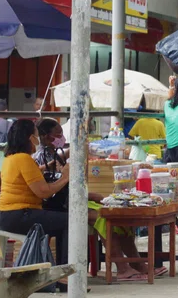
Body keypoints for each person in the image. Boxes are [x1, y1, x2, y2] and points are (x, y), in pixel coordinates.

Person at [32, 119, 149, 281]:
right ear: (45, 137)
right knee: (102, 217)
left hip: (72, 200)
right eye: (57, 135)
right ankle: (122, 268)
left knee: (112, 212)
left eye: (61, 134)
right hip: (59, 206)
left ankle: (135, 263)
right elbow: (52, 187)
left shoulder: (57, 152)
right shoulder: (40, 157)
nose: (61, 138)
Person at [0, 120, 75, 290]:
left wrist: (50, 166)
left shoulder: (11, 158)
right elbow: (44, 192)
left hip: (7, 215)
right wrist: (65, 177)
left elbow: (33, 173)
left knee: (62, 220)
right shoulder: (23, 159)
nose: (38, 141)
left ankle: (62, 272)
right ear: (30, 138)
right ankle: (65, 275)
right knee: (71, 222)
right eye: (37, 136)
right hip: (18, 215)